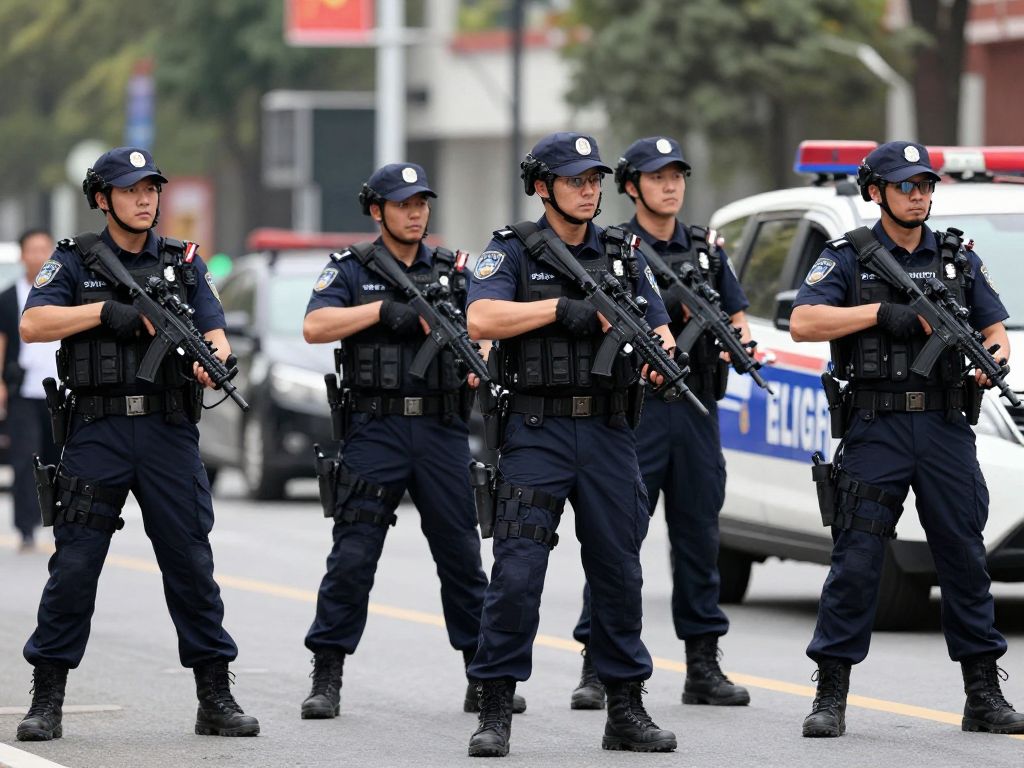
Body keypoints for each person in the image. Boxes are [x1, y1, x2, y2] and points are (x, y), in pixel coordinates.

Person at [16, 147, 259, 741]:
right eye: (131, 189)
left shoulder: (185, 262)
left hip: (168, 432)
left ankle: (215, 695)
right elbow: (34, 323)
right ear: (102, 198)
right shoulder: (74, 260)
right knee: (74, 566)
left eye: (152, 188)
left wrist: (215, 364)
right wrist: (105, 312)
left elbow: (216, 333)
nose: (146, 198)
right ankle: (47, 696)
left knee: (191, 564)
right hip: (97, 431)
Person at [790, 140, 1023, 737]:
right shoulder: (848, 257)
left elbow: (996, 330)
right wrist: (877, 315)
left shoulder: (956, 258)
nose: (917, 195)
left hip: (946, 425)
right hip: (877, 426)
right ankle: (831, 695)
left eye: (924, 185)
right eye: (904, 186)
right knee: (858, 561)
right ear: (876, 192)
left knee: (965, 560)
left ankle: (983, 695)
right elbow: (805, 321)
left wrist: (988, 357)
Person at [464, 132, 678, 757]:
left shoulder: (622, 251)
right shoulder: (512, 250)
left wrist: (660, 357)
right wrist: (561, 309)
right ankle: (496, 707)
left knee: (619, 572)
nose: (589, 189)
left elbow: (659, 327)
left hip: (610, 432)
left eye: (595, 180)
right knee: (518, 573)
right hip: (538, 431)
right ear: (541, 185)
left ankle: (626, 709)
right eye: (575, 179)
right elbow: (481, 318)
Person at [300, 162, 525, 720]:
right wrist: (380, 311)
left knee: (461, 556)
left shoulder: (456, 270)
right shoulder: (351, 269)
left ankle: (482, 674)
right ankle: (327, 674)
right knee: (353, 556)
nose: (416, 211)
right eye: (403, 203)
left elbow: (487, 327)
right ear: (377, 210)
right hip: (374, 429)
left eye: (422, 201)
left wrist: (481, 366)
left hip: (441, 430)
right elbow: (315, 327)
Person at [569, 136, 753, 711]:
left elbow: (737, 315)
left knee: (699, 538)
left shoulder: (705, 250)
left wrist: (737, 342)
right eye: (657, 176)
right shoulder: (615, 249)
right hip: (639, 413)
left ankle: (703, 664)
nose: (670, 185)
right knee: (617, 538)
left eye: (677, 175)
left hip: (697, 409)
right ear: (631, 186)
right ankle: (597, 665)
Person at [0, 228, 60, 551]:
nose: (38, 256)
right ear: (22, 254)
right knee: (25, 460)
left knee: (59, 459)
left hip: (61, 392)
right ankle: (25, 527)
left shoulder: (65, 290)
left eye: (44, 249)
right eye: (32, 250)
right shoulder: (9, 297)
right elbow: (2, 341)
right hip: (23, 390)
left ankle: (61, 523)